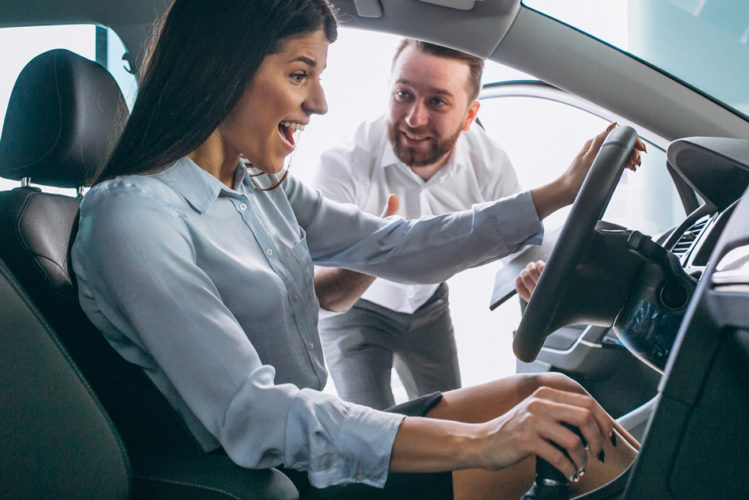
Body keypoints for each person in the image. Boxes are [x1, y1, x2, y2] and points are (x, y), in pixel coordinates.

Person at [70, 0, 646, 498]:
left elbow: (399, 245)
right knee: (546, 441)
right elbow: (255, 415)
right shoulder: (133, 217)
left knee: (555, 396)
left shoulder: (258, 186)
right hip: (278, 479)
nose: (319, 102)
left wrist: (561, 191)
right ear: (225, 69)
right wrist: (486, 440)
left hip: (311, 452)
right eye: (301, 74)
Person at [310, 39, 521, 410]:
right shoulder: (343, 164)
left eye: (437, 101)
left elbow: (521, 244)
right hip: (354, 312)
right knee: (372, 436)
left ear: (469, 116)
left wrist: (533, 274)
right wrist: (382, 246)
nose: (414, 118)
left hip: (429, 308)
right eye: (403, 94)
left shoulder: (488, 164)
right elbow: (319, 286)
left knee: (450, 421)